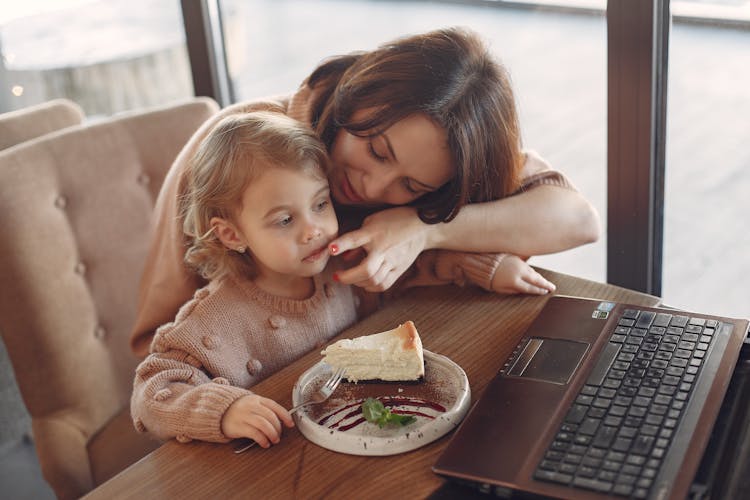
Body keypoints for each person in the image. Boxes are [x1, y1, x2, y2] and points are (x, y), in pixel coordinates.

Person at [130, 26, 600, 357]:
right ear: (356, 95)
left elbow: (578, 220)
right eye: (376, 150)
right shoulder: (239, 152)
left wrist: (422, 230)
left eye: (412, 186)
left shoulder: (446, 151)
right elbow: (160, 340)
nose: (373, 187)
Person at [131, 111, 359, 447]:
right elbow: (151, 392)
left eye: (321, 203)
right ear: (232, 235)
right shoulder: (211, 320)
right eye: (285, 220)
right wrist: (225, 410)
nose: (314, 230)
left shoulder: (342, 269)